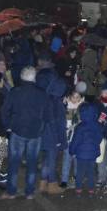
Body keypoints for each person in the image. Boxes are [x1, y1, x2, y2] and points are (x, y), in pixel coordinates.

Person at [0, 66, 51, 199]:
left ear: (22, 77)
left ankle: (11, 191)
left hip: (18, 131)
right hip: (35, 133)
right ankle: (29, 192)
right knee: (32, 162)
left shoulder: (15, 91)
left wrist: (8, 126)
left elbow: (5, 111)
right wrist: (41, 126)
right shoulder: (42, 94)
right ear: (34, 78)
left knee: (14, 162)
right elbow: (48, 115)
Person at [35, 66, 68, 195]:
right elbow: (59, 123)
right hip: (53, 136)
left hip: (42, 135)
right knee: (52, 161)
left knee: (45, 160)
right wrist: (62, 141)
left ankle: (43, 183)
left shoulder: (44, 97)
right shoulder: (57, 103)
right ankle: (52, 184)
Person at [68, 103, 103, 196]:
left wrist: (71, 151)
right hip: (92, 153)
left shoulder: (80, 127)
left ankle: (78, 189)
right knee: (91, 172)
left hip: (81, 154)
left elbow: (75, 141)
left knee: (80, 172)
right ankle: (91, 189)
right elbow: (99, 138)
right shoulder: (98, 126)